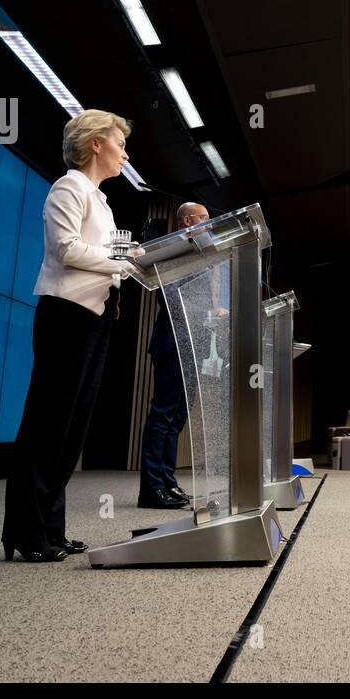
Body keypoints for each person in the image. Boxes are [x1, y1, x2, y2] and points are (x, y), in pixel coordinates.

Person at [1, 110, 139, 562]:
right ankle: (25, 532)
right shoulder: (68, 187)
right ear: (96, 143)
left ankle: (51, 529)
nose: (124, 151)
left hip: (97, 318)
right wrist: (121, 260)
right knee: (47, 425)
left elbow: (110, 255)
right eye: (119, 142)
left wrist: (139, 255)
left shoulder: (103, 202)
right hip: (65, 315)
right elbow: (66, 249)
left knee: (71, 429)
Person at [137, 202, 213, 508]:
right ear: (189, 221)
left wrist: (210, 312)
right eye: (206, 219)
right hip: (172, 343)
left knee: (176, 418)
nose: (210, 224)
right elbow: (169, 295)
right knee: (164, 415)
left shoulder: (196, 254)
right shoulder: (172, 250)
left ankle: (167, 481)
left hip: (192, 344)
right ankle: (152, 487)